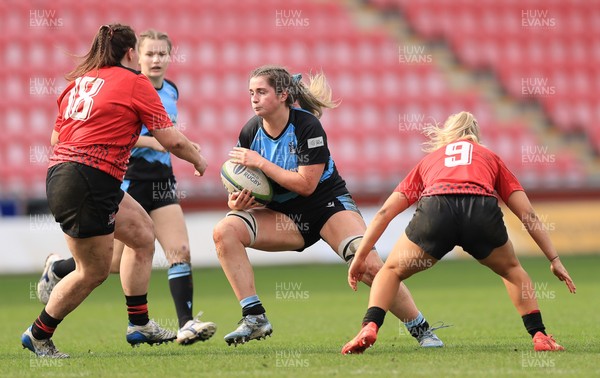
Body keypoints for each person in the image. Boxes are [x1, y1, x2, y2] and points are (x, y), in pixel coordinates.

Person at [213, 65, 445, 347]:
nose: (254, 98)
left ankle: (421, 330)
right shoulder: (250, 131)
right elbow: (239, 184)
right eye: (251, 92)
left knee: (369, 265)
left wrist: (261, 163)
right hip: (283, 214)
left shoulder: (307, 126)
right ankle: (254, 317)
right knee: (224, 231)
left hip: (326, 205)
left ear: (283, 94)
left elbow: (306, 185)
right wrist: (237, 200)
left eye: (261, 92)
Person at [21, 23, 208, 358]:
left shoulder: (79, 83)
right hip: (89, 180)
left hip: (67, 175)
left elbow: (55, 140)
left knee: (141, 234)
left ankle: (139, 324)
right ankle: (38, 335)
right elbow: (172, 139)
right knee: (92, 271)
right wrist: (198, 160)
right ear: (131, 52)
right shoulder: (135, 82)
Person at [341, 111, 577, 355]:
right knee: (512, 271)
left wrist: (360, 257)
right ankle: (539, 335)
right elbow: (527, 214)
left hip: (437, 209)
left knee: (390, 272)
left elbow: (385, 212)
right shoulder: (490, 157)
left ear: (448, 134)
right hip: (480, 210)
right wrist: (554, 259)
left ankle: (370, 326)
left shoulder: (430, 160)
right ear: (475, 135)